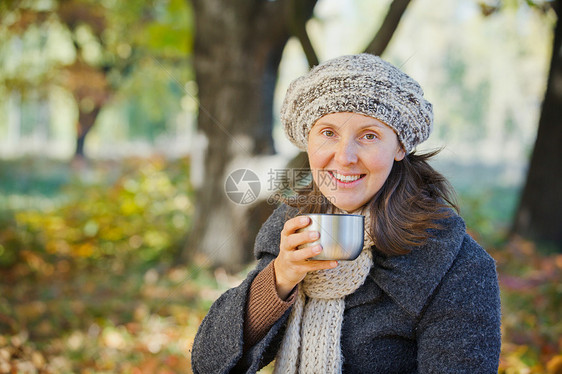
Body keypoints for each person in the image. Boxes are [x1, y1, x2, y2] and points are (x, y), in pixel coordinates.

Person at [191, 53, 501, 373]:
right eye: (328, 133)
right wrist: (280, 277)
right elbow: (208, 363)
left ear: (399, 147)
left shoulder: (455, 263)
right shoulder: (294, 228)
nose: (344, 157)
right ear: (308, 142)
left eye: (369, 135)